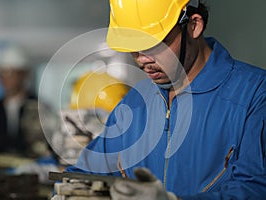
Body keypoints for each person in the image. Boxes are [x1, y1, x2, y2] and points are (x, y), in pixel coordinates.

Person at [66, 0, 266, 199]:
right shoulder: (135, 103)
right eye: (133, 47)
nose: (143, 59)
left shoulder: (255, 95)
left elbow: (255, 189)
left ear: (194, 25)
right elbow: (86, 173)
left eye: (153, 44)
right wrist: (70, 191)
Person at [0, 45, 42, 158]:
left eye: (10, 72)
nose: (5, 78)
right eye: (1, 73)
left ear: (24, 74)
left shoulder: (40, 109)